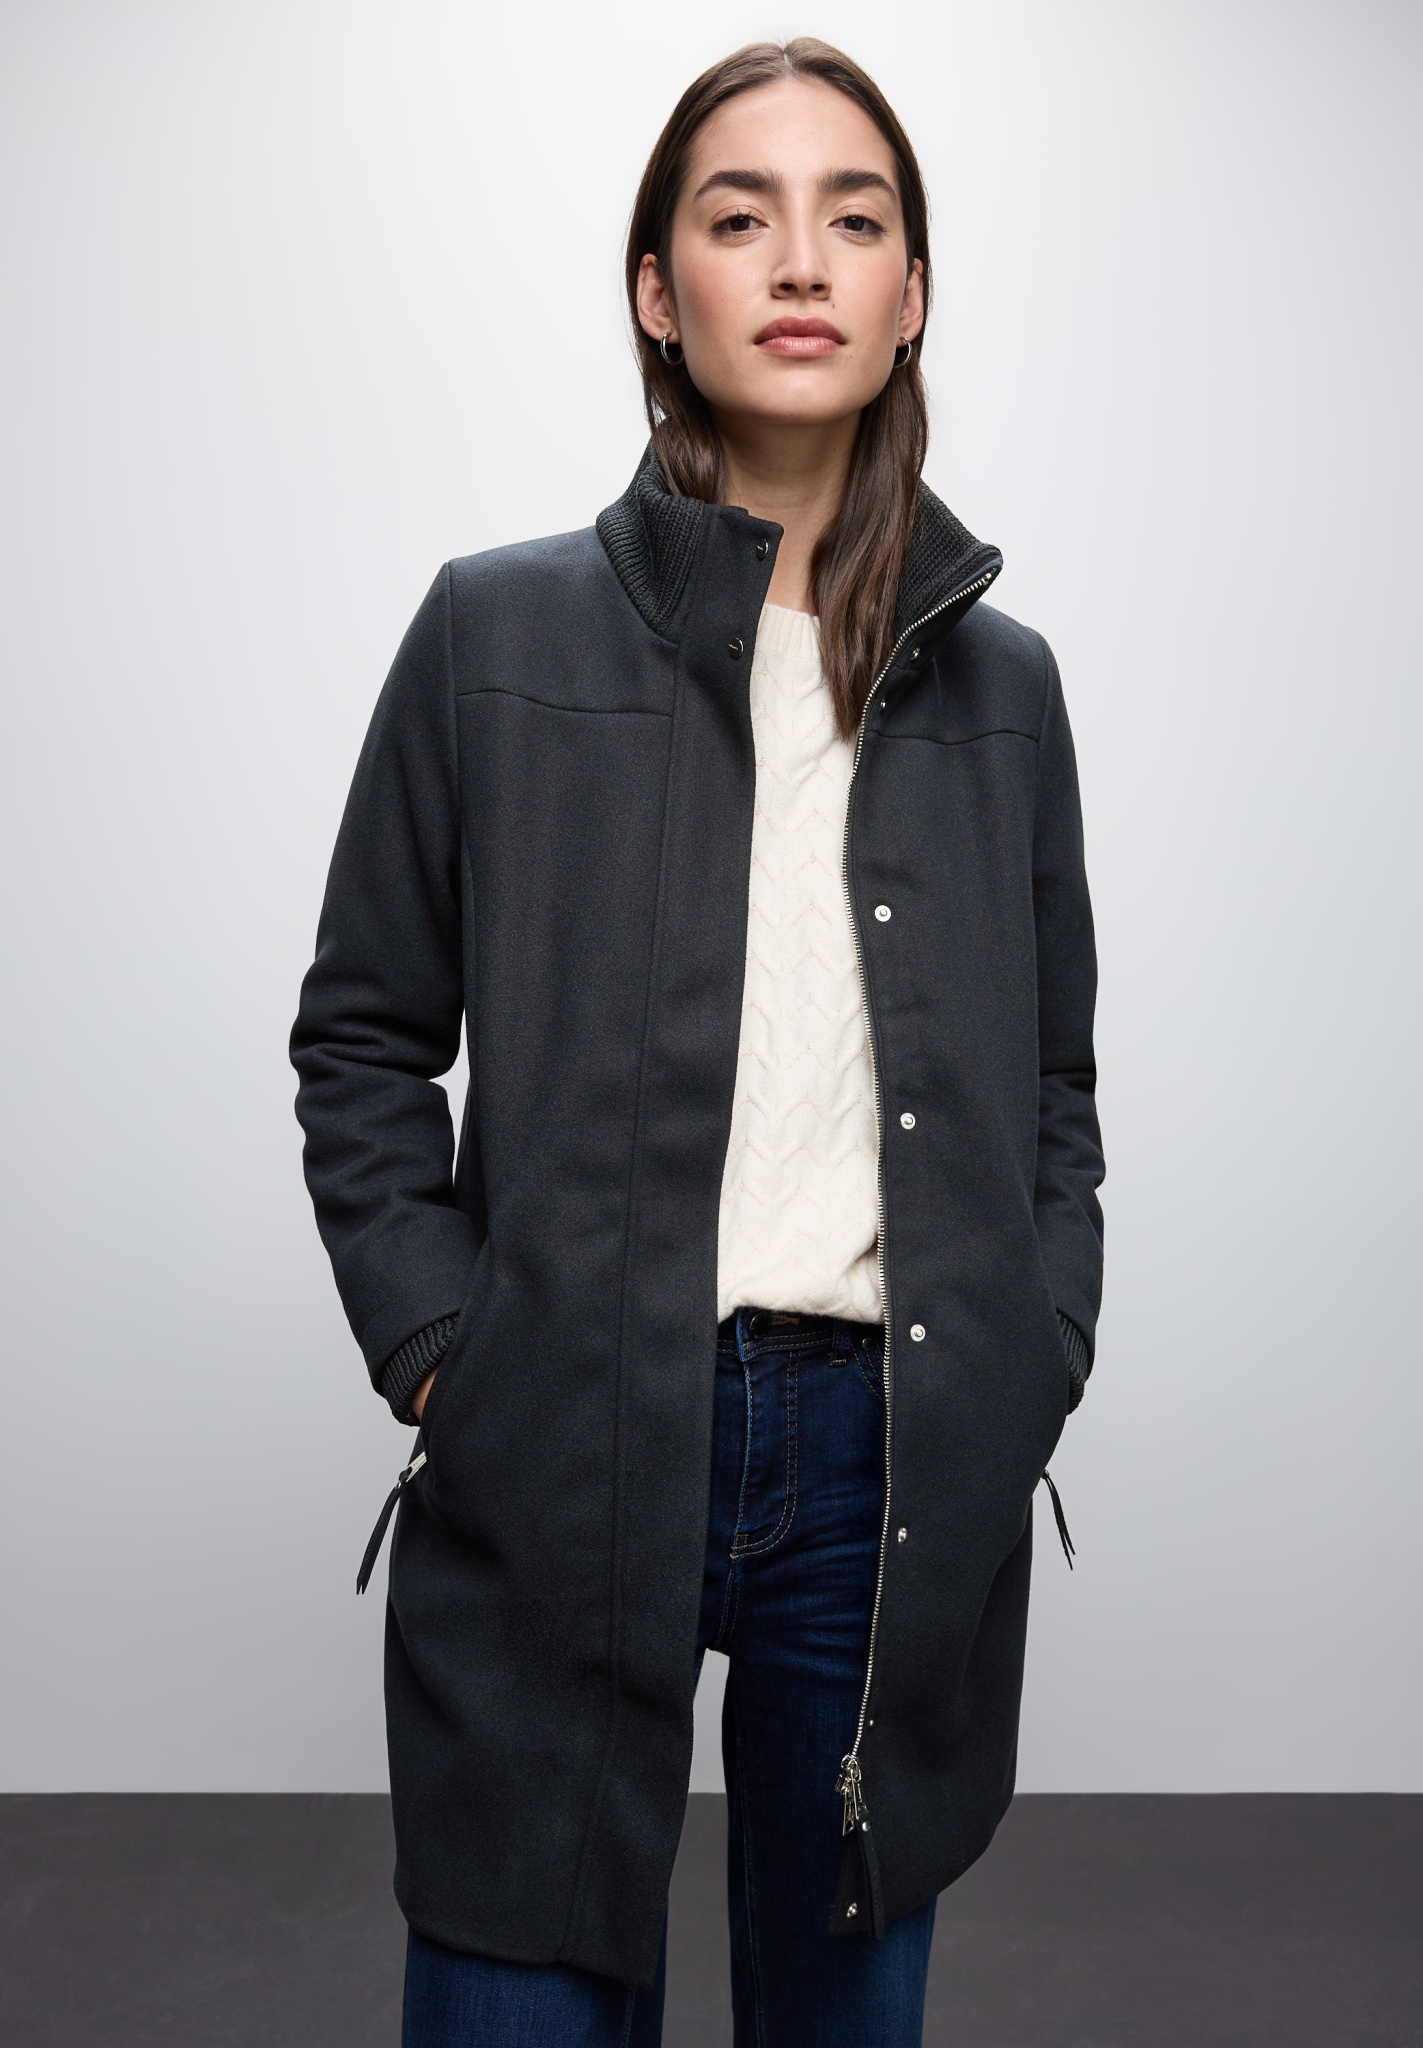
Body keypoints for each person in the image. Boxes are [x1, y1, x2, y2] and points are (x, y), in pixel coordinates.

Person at [291, 36, 1104, 2048]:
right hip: (565, 1426)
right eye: (742, 218)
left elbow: (1055, 1092)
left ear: (912, 293)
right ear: (660, 289)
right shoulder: (493, 637)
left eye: (856, 219)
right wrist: (444, 1347)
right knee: (519, 1983)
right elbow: (363, 1035)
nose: (802, 261)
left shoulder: (1005, 688)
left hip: (889, 1449)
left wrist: (1035, 1348)